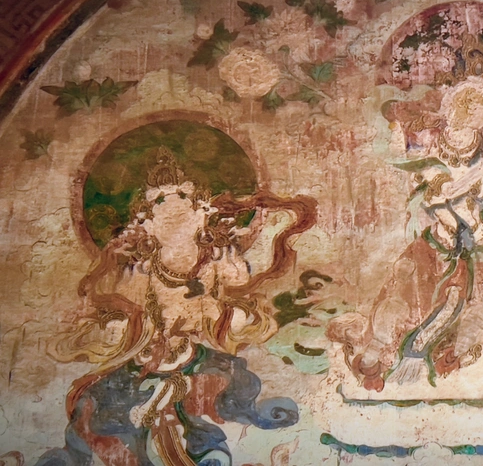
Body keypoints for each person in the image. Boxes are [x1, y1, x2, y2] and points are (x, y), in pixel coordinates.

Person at [39, 147, 316, 466]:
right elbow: (127, 310)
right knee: (99, 405)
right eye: (159, 203)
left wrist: (216, 310)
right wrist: (136, 328)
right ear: (146, 224)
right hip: (149, 355)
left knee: (223, 386)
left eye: (184, 198)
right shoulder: (142, 268)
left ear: (202, 212)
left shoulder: (218, 258)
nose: (174, 209)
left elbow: (238, 295)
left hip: (193, 354)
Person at [327, 34, 483, 391]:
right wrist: (399, 131)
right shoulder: (432, 148)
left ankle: (466, 358)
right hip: (440, 236)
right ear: (451, 104)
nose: (470, 110)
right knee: (406, 293)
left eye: (479, 105)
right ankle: (384, 356)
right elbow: (415, 170)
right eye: (464, 102)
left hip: (479, 236)